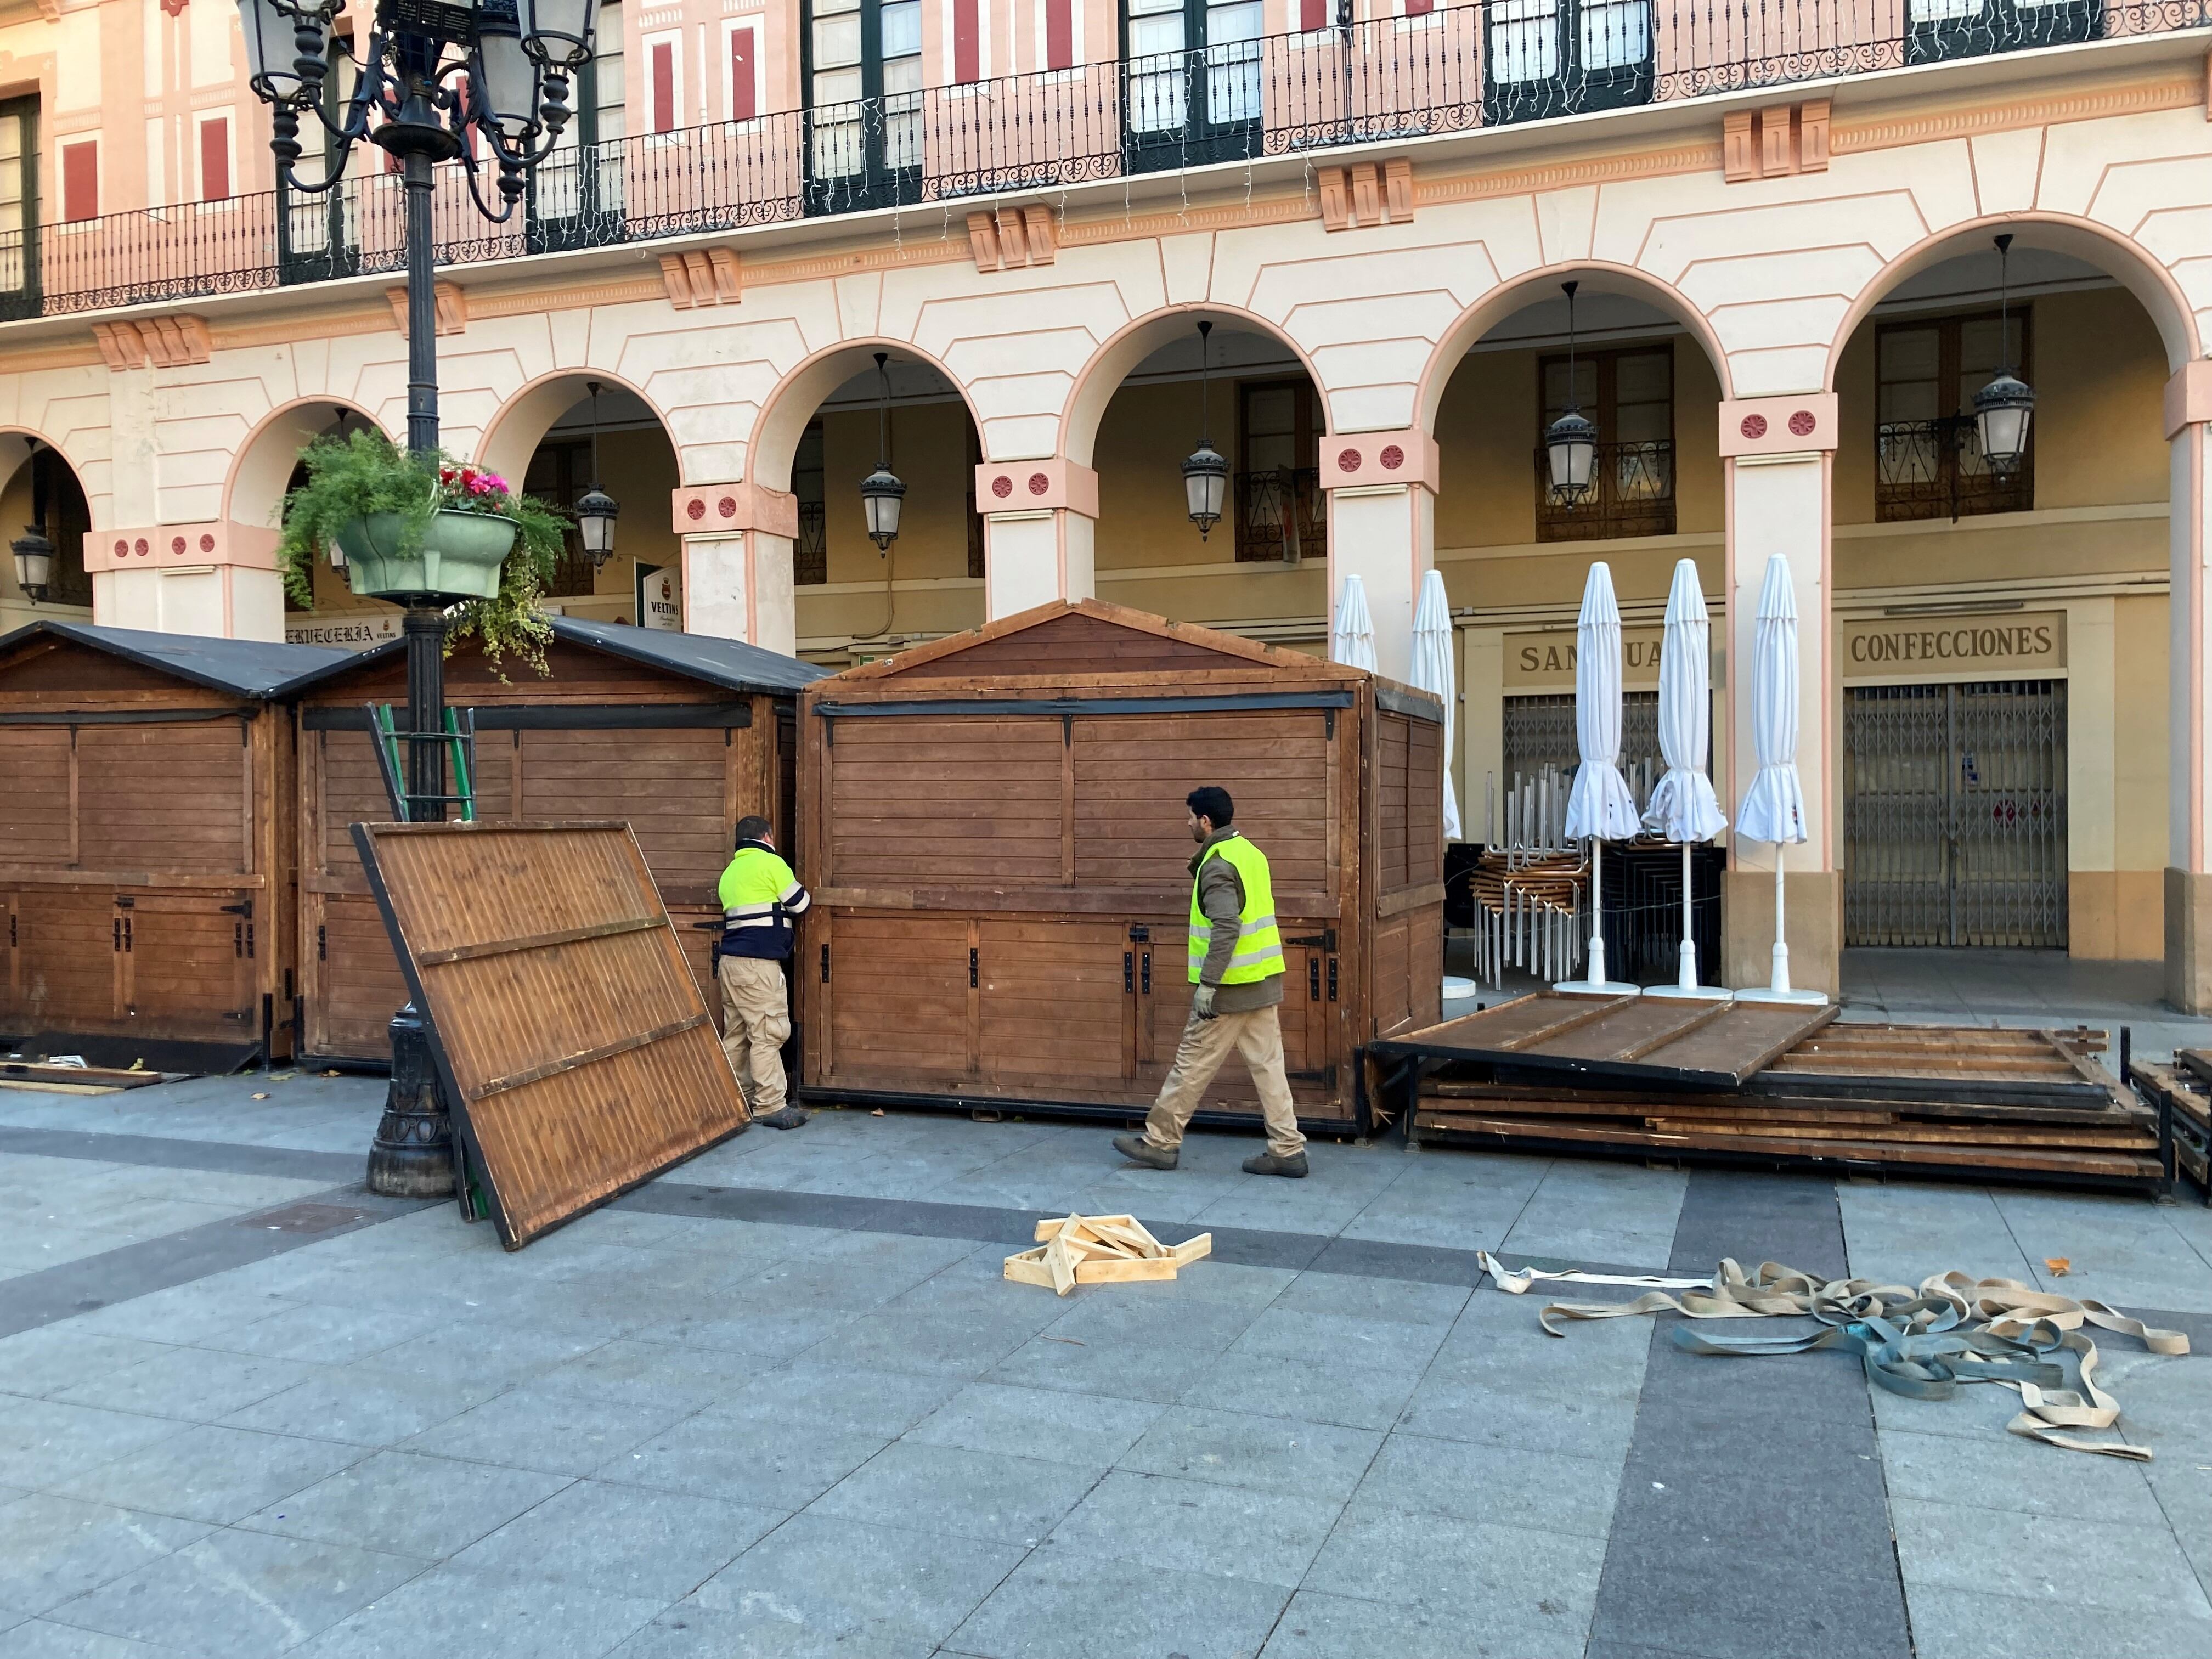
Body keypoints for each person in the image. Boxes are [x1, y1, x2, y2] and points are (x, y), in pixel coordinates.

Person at [1113, 786, 1309, 1178]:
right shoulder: (1251, 853)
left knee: (1191, 1064)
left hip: (1228, 990)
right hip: (1262, 982)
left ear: (1206, 821)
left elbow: (1226, 927)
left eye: (1190, 818)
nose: (1187, 824)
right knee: (1269, 1067)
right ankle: (1288, 1150)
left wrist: (1208, 984)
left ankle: (1160, 1143)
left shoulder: (1218, 864)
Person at [716, 815, 811, 1130]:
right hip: (758, 966)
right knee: (769, 1033)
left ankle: (737, 1099)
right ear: (768, 837)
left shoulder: (729, 873)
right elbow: (800, 904)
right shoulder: (771, 864)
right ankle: (770, 1106)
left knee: (737, 1033)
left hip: (730, 963)